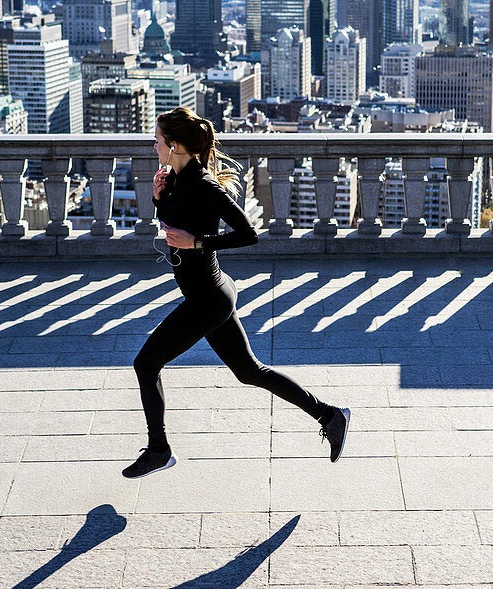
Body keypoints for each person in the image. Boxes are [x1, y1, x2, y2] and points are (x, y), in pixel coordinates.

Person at [123, 107, 350, 479]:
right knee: (249, 371)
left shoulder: (203, 185)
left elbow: (248, 234)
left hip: (208, 298)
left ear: (175, 144)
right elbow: (175, 223)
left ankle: (159, 450)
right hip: (212, 294)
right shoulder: (175, 179)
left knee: (146, 364)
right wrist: (159, 198)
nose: (153, 145)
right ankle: (331, 415)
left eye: (158, 140)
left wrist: (197, 243)